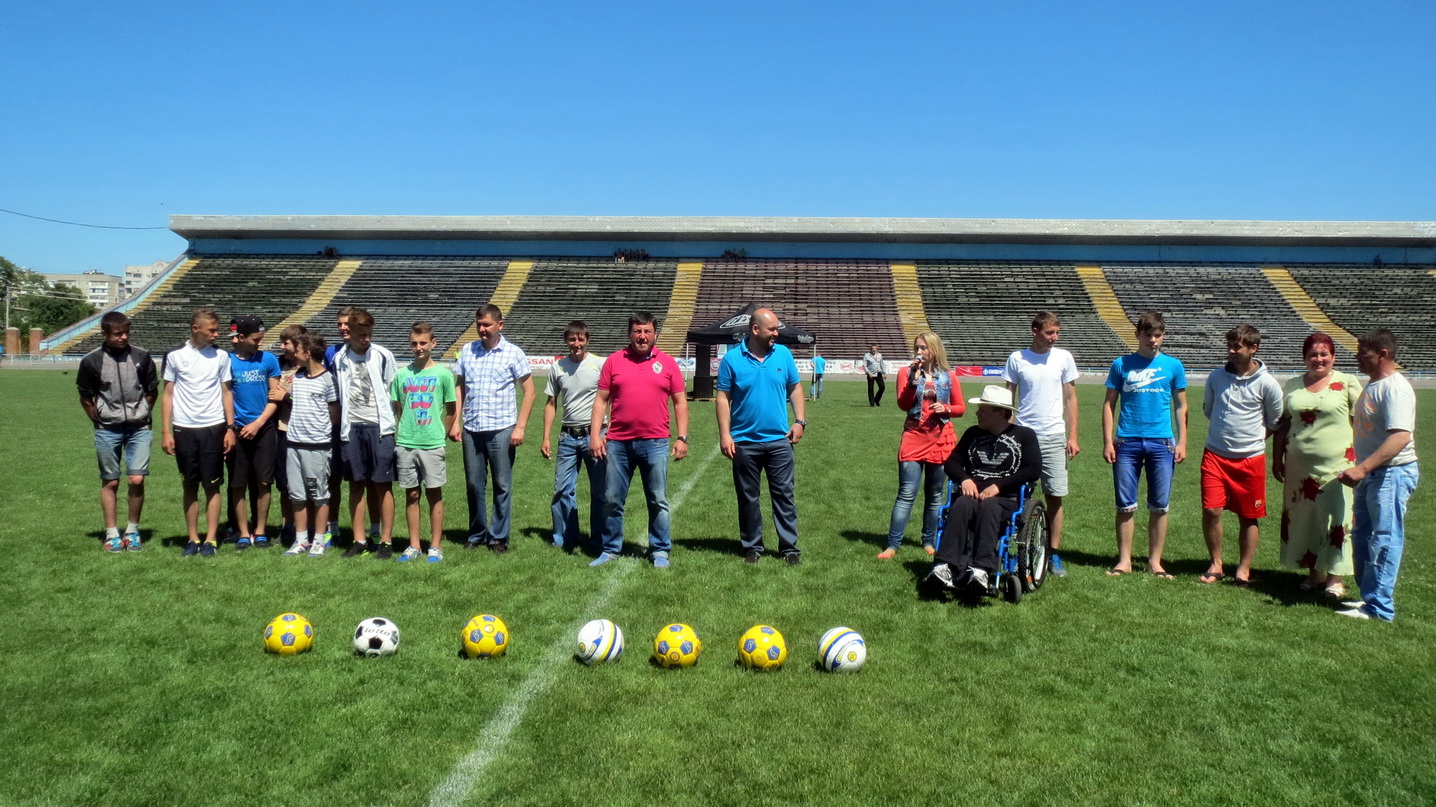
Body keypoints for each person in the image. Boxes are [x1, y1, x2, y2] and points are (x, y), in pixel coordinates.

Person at [589, 312, 689, 568]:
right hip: (617, 442)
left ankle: (660, 550)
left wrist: (682, 437)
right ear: (629, 334)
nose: (642, 336)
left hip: (656, 442)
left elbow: (680, 402)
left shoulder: (667, 363)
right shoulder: (614, 361)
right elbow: (601, 401)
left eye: (647, 331)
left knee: (658, 500)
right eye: (637, 331)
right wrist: (595, 435)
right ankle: (610, 549)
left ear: (655, 334)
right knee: (612, 499)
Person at [924, 386, 1041, 594]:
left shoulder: (1025, 435)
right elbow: (951, 463)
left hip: (1005, 499)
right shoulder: (973, 434)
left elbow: (1033, 470)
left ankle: (981, 570)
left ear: (1000, 412)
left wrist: (999, 485)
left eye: (983, 410)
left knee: (990, 506)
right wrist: (965, 479)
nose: (977, 413)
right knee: (961, 503)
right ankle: (944, 566)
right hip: (971, 495)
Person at [1336, 328, 1419, 622]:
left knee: (1385, 538)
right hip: (1373, 473)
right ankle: (1369, 597)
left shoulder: (1395, 388)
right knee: (1362, 537)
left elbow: (1400, 437)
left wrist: (1362, 468)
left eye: (1364, 353)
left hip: (1391, 473)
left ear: (1383, 354)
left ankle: (1380, 608)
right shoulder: (1374, 384)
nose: (1357, 358)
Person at [1272, 333, 1361, 598]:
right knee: (1306, 519)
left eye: (1324, 354)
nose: (1318, 359)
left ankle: (1335, 577)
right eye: (1313, 354)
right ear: (1304, 358)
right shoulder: (1292, 385)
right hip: (1299, 468)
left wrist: (1362, 462)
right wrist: (1277, 459)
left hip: (1338, 466)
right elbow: (1283, 424)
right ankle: (1314, 573)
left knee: (1336, 519)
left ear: (1333, 357)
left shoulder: (1348, 382)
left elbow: (1362, 422)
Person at [717, 307, 807, 565]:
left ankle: (789, 548)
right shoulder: (732, 359)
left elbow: (795, 387)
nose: (777, 333)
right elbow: (723, 398)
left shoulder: (783, 354)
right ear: (755, 329)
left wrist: (800, 421)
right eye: (772, 329)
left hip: (780, 441)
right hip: (744, 443)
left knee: (784, 496)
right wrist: (725, 434)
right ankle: (752, 547)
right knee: (748, 498)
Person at [1101, 310, 1188, 577]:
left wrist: (1182, 441)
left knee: (1160, 505)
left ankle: (1155, 562)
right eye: (1148, 335)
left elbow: (1181, 406)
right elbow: (1109, 404)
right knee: (1125, 504)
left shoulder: (1174, 366)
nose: (1153, 340)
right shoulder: (1121, 364)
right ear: (1137, 335)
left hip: (1162, 443)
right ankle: (1124, 561)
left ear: (1163, 336)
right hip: (1126, 442)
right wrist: (1108, 441)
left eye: (1157, 335)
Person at [1199, 324, 1284, 586]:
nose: (1231, 351)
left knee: (1249, 515)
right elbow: (1209, 410)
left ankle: (1243, 569)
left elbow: (1276, 420)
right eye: (1229, 346)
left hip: (1250, 459)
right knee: (1211, 510)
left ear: (1253, 348)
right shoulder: (1216, 377)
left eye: (1237, 347)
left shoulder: (1268, 383)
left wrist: (1251, 441)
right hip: (1215, 455)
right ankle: (1216, 563)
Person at [450, 304, 535, 554]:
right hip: (472, 428)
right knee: (473, 485)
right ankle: (477, 533)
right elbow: (459, 387)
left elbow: (530, 391)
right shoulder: (467, 351)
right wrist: (455, 421)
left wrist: (520, 427)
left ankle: (498, 537)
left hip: (501, 428)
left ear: (500, 325)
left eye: (487, 324)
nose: (482, 329)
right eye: (479, 325)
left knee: (502, 485)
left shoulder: (513, 353)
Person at [1003, 312, 1080, 576]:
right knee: (1017, 495)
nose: (1054, 338)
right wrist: (1007, 434)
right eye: (1050, 333)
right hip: (1023, 437)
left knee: (1055, 495)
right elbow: (1008, 398)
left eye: (1057, 332)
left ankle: (1053, 554)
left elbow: (1071, 398)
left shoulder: (1063, 358)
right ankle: (1017, 551)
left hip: (1054, 436)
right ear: (1035, 331)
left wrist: (1072, 436)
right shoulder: (1017, 358)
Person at [77, 311, 159, 552]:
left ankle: (132, 531)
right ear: (104, 333)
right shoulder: (91, 361)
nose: (123, 337)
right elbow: (86, 397)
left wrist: (141, 412)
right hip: (107, 429)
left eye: (126, 333)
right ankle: (112, 534)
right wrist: (100, 420)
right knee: (110, 481)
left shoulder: (141, 356)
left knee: (136, 479)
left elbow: (152, 391)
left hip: (139, 428)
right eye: (118, 334)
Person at [880, 331, 966, 559]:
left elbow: (960, 408)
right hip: (914, 437)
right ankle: (893, 544)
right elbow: (903, 404)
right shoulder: (906, 372)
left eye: (923, 348)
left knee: (935, 494)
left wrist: (946, 408)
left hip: (940, 439)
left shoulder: (949, 376)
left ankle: (929, 541)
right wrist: (913, 381)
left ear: (934, 350)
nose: (918, 352)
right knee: (906, 493)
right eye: (917, 347)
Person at [161, 307, 236, 556]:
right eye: (211, 330)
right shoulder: (174, 356)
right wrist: (166, 431)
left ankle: (211, 539)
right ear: (196, 329)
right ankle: (193, 538)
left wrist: (230, 428)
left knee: (212, 485)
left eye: (217, 330)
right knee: (189, 485)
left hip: (213, 428)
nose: (216, 334)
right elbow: (168, 394)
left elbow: (226, 393)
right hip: (184, 428)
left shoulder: (221, 356)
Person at [332, 308, 398, 559]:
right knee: (356, 484)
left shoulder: (383, 355)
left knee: (382, 484)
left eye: (369, 334)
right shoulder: (340, 359)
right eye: (361, 335)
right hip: (352, 428)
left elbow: (394, 392)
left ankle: (385, 541)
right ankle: (359, 539)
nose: (366, 339)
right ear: (350, 332)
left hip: (380, 428)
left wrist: (393, 425)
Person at [390, 322, 457, 563]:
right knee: (411, 494)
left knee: (434, 493)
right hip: (406, 442)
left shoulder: (443, 374)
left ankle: (435, 546)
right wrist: (405, 430)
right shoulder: (402, 375)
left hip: (432, 443)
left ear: (433, 344)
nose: (418, 347)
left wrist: (441, 434)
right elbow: (398, 408)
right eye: (414, 343)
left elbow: (451, 410)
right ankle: (414, 545)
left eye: (423, 343)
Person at [540, 321, 606, 551]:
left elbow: (611, 399)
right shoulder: (558, 367)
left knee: (600, 491)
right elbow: (551, 403)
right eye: (572, 339)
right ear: (566, 341)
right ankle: (564, 538)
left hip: (595, 435)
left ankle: (599, 539)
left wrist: (608, 432)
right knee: (562, 489)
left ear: (587, 340)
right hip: (567, 437)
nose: (576, 343)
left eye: (580, 339)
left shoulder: (599, 364)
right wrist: (546, 437)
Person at [226, 316, 282, 550]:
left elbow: (275, 397)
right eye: (255, 339)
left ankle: (260, 531)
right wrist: (231, 428)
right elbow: (224, 395)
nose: (260, 343)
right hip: (237, 430)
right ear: (240, 338)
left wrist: (258, 423)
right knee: (238, 483)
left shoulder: (268, 359)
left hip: (264, 428)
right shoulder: (226, 361)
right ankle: (242, 532)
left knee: (264, 482)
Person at [282, 332, 340, 556]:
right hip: (294, 444)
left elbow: (334, 415)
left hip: (317, 446)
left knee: (319, 495)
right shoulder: (297, 377)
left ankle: (319, 540)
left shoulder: (328, 380)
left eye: (297, 351)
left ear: (307, 353)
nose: (293, 354)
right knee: (297, 495)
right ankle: (300, 540)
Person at [270, 324, 307, 545]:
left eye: (286, 343)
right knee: (284, 483)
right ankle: (287, 526)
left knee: (306, 483)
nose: (282, 347)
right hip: (282, 430)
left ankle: (309, 526)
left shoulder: (310, 368)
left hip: (304, 432)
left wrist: (285, 397)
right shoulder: (278, 365)